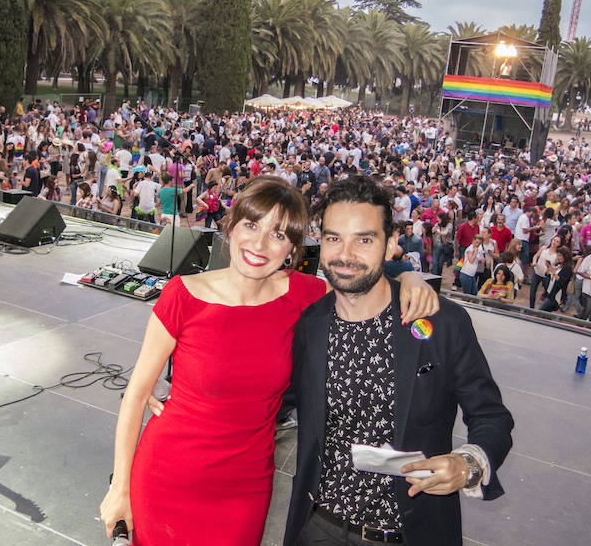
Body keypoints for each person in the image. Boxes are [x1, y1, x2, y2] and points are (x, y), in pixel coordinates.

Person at [99, 177, 440, 545]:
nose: (259, 244)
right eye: (251, 225)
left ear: (292, 249)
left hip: (244, 490)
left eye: (278, 235)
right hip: (167, 476)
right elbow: (135, 396)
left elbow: (359, 277)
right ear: (231, 226)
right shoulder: (182, 294)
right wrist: (120, 488)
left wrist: (408, 275)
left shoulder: (303, 295)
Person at [284, 174, 513, 546]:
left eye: (364, 239)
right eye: (333, 238)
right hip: (318, 527)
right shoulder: (308, 326)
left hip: (410, 533)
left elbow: (490, 416)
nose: (345, 254)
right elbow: (271, 399)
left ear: (391, 243)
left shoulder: (444, 324)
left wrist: (468, 464)